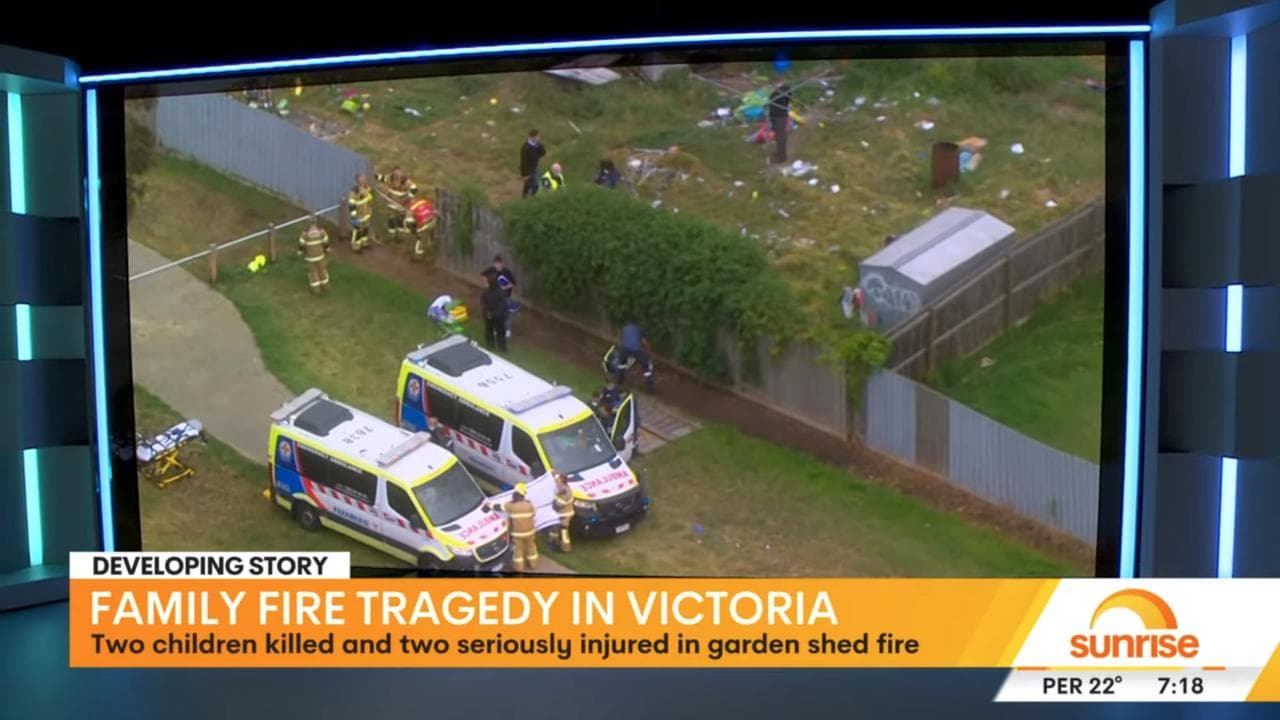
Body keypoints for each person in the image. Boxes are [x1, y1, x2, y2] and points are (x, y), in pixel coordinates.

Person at [483, 484, 538, 572]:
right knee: (531, 547)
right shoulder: (530, 504)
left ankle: (519, 568)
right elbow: (534, 514)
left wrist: (488, 505)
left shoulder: (511, 506)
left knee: (518, 551)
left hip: (517, 534)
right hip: (530, 532)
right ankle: (533, 564)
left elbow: (498, 507)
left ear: (516, 493)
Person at [603, 323, 655, 389]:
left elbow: (621, 340)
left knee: (622, 364)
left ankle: (620, 380)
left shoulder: (624, 328)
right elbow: (644, 341)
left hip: (624, 349)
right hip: (636, 350)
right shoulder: (639, 329)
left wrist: (621, 349)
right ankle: (649, 385)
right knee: (645, 365)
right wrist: (649, 351)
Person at [375, 167, 417, 237]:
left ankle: (399, 233)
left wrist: (408, 198)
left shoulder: (407, 182)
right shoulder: (390, 178)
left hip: (402, 204)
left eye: (399, 174)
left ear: (402, 174)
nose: (397, 176)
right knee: (391, 218)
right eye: (395, 174)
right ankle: (392, 234)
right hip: (392, 203)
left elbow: (414, 189)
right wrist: (375, 175)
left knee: (400, 218)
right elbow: (382, 178)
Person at [483, 255, 517, 338]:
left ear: (502, 263)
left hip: (506, 296)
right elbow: (483, 275)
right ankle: (496, 329)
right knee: (496, 313)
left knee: (506, 314)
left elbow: (513, 283)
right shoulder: (492, 270)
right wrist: (486, 284)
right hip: (495, 296)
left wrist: (505, 287)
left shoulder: (507, 272)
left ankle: (508, 330)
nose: (497, 265)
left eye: (499, 263)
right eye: (496, 263)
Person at [297, 222, 330, 295]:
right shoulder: (322, 233)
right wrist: (327, 249)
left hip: (310, 258)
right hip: (320, 256)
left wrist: (300, 252)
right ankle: (325, 286)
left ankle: (316, 290)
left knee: (313, 272)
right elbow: (326, 242)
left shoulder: (305, 235)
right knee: (322, 270)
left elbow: (301, 244)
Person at [767, 76, 793, 164]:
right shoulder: (786, 89)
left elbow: (777, 101)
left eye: (773, 85)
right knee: (779, 136)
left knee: (780, 136)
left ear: (776, 83)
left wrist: (769, 101)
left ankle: (782, 157)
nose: (773, 87)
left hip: (779, 117)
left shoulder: (778, 94)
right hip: (779, 116)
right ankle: (779, 152)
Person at [481, 275, 509, 352]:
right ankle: (490, 346)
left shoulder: (500, 293)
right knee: (489, 331)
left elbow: (501, 307)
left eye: (487, 282)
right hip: (489, 315)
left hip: (498, 317)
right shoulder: (486, 292)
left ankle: (502, 349)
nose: (485, 284)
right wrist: (487, 312)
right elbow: (483, 303)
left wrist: (491, 314)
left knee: (500, 333)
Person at [347, 174, 374, 253]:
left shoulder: (367, 188)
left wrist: (370, 207)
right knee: (357, 231)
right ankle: (356, 247)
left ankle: (364, 243)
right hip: (358, 215)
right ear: (357, 181)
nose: (363, 181)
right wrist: (354, 216)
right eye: (361, 180)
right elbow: (351, 204)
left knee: (366, 228)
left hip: (366, 214)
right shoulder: (354, 192)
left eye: (364, 179)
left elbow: (369, 198)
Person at [549, 473, 575, 553]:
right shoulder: (562, 488)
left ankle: (565, 548)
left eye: (558, 480)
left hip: (564, 515)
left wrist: (551, 504)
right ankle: (553, 542)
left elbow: (558, 505)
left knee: (564, 532)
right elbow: (556, 476)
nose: (556, 482)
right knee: (554, 529)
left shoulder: (565, 492)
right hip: (560, 514)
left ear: (562, 481)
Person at [520, 129, 546, 198]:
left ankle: (525, 195)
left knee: (528, 183)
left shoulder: (537, 145)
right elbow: (524, 161)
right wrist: (525, 174)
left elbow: (543, 153)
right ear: (532, 137)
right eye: (537, 137)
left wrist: (540, 145)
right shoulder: (525, 148)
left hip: (535, 167)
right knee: (535, 185)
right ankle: (532, 197)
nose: (539, 138)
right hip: (529, 169)